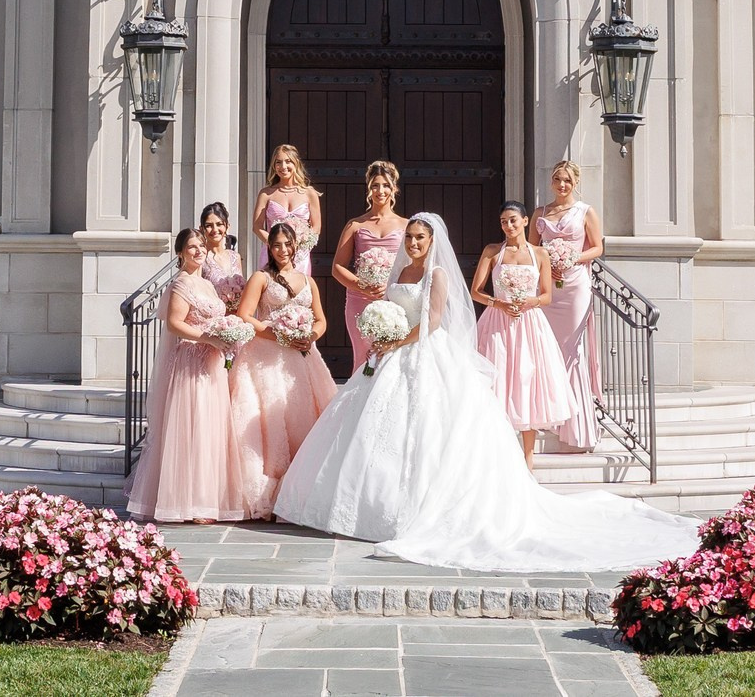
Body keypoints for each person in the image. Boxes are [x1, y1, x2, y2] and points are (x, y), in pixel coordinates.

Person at [271, 213, 700, 574]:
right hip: (391, 353)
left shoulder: (437, 275)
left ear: (432, 241)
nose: (414, 243)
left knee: (430, 428)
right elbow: (390, 308)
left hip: (422, 353)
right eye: (410, 237)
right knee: (368, 427)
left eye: (420, 238)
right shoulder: (400, 272)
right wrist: (380, 338)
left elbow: (434, 320)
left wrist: (395, 342)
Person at [124, 228, 248, 524]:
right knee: (194, 430)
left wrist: (227, 334)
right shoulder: (180, 284)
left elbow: (215, 319)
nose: (198, 250)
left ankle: (208, 500)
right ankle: (191, 503)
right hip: (191, 365)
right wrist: (210, 338)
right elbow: (176, 325)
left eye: (201, 245)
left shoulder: (206, 284)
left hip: (212, 364)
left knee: (211, 430)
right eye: (192, 247)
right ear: (180, 252)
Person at [232, 221, 337, 517]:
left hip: (302, 359)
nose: (282, 250)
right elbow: (244, 315)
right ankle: (270, 495)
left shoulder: (307, 280)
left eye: (287, 244)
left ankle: (301, 491)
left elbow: (320, 319)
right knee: (271, 422)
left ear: (295, 246)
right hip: (266, 358)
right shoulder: (261, 278)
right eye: (276, 245)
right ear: (270, 247)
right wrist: (277, 333)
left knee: (305, 418)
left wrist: (310, 335)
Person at [471, 201, 576, 464]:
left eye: (513, 220)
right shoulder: (493, 251)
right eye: (504, 221)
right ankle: (498, 456)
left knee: (527, 384)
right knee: (498, 384)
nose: (508, 226)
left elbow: (547, 296)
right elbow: (476, 291)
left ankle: (528, 458)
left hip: (529, 325)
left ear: (525, 221)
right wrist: (500, 303)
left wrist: (530, 301)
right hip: (497, 324)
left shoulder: (539, 254)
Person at [533, 158, 605, 451]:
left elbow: (598, 247)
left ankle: (576, 424)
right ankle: (548, 412)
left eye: (567, 180)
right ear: (551, 181)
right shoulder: (541, 213)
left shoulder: (585, 211)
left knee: (570, 349)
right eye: (557, 179)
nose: (561, 185)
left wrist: (571, 258)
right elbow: (533, 250)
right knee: (547, 347)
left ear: (575, 183)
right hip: (550, 288)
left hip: (575, 286)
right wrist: (547, 264)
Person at [329, 160, 408, 374]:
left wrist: (393, 285)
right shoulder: (355, 225)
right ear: (369, 189)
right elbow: (337, 267)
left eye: (385, 186)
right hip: (359, 300)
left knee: (390, 357)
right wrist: (361, 286)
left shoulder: (406, 225)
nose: (380, 191)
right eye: (375, 185)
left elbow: (413, 266)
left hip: (393, 299)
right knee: (364, 358)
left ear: (394, 189)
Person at [254, 144, 326, 279]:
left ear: (296, 163)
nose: (283, 166)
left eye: (288, 161)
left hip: (299, 254)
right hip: (272, 252)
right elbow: (257, 227)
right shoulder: (266, 194)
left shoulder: (309, 193)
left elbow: (316, 227)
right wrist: (274, 243)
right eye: (278, 162)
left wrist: (301, 244)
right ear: (274, 166)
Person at [198, 201, 247, 307]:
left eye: (219, 224)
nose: (215, 230)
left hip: (238, 316)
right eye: (209, 226)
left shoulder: (235, 256)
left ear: (227, 226)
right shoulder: (200, 258)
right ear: (202, 229)